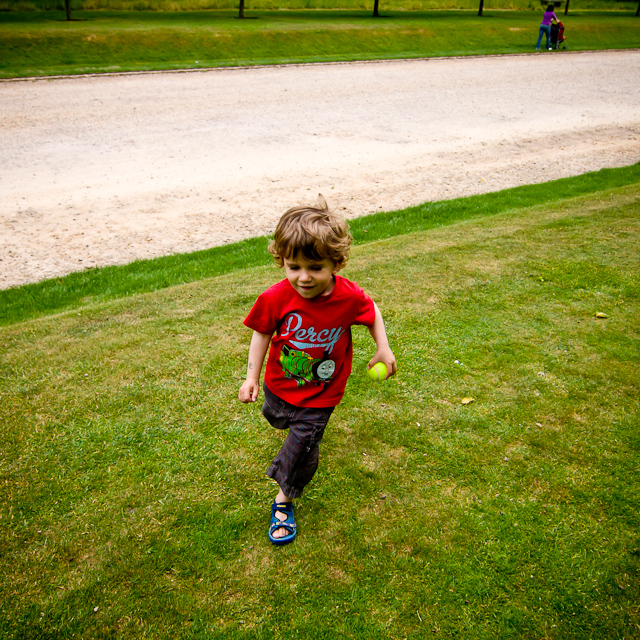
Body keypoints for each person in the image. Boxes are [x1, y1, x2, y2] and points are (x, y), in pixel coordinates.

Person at [238, 195, 397, 545]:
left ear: (335, 263)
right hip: (279, 386)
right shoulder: (275, 298)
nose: (304, 278)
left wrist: (382, 347)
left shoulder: (348, 297)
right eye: (294, 267)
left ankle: (284, 499)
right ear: (282, 261)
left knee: (304, 445)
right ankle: (295, 441)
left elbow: (371, 311)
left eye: (315, 268)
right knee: (278, 419)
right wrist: (251, 377)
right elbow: (262, 332)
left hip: (322, 394)